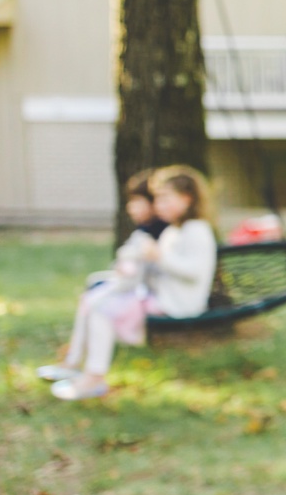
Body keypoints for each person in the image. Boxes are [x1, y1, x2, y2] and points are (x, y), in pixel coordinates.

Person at [39, 166, 219, 401]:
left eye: (166, 199)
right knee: (95, 301)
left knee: (102, 310)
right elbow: (158, 266)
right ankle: (75, 364)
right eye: (158, 199)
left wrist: (158, 256)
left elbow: (194, 272)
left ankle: (93, 378)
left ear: (187, 198)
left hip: (177, 303)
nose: (159, 205)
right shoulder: (174, 230)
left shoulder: (197, 230)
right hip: (160, 296)